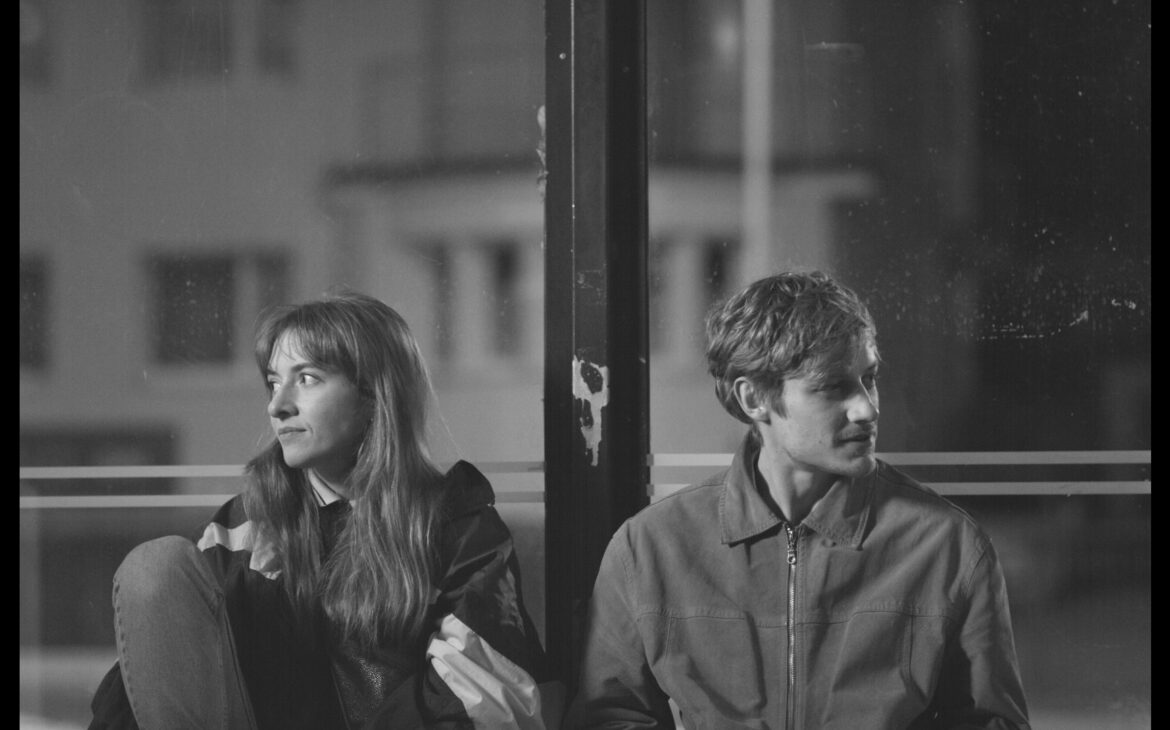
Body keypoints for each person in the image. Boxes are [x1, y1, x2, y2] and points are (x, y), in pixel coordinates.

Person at [565, 271, 1030, 729]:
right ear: (754, 398)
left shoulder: (947, 545)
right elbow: (609, 717)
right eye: (832, 386)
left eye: (869, 378)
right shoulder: (651, 547)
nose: (867, 407)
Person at [89, 290, 561, 729]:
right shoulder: (243, 528)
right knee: (155, 567)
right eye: (273, 382)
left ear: (374, 395)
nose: (278, 406)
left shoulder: (457, 528)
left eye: (307, 379)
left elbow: (485, 704)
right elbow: (153, 681)